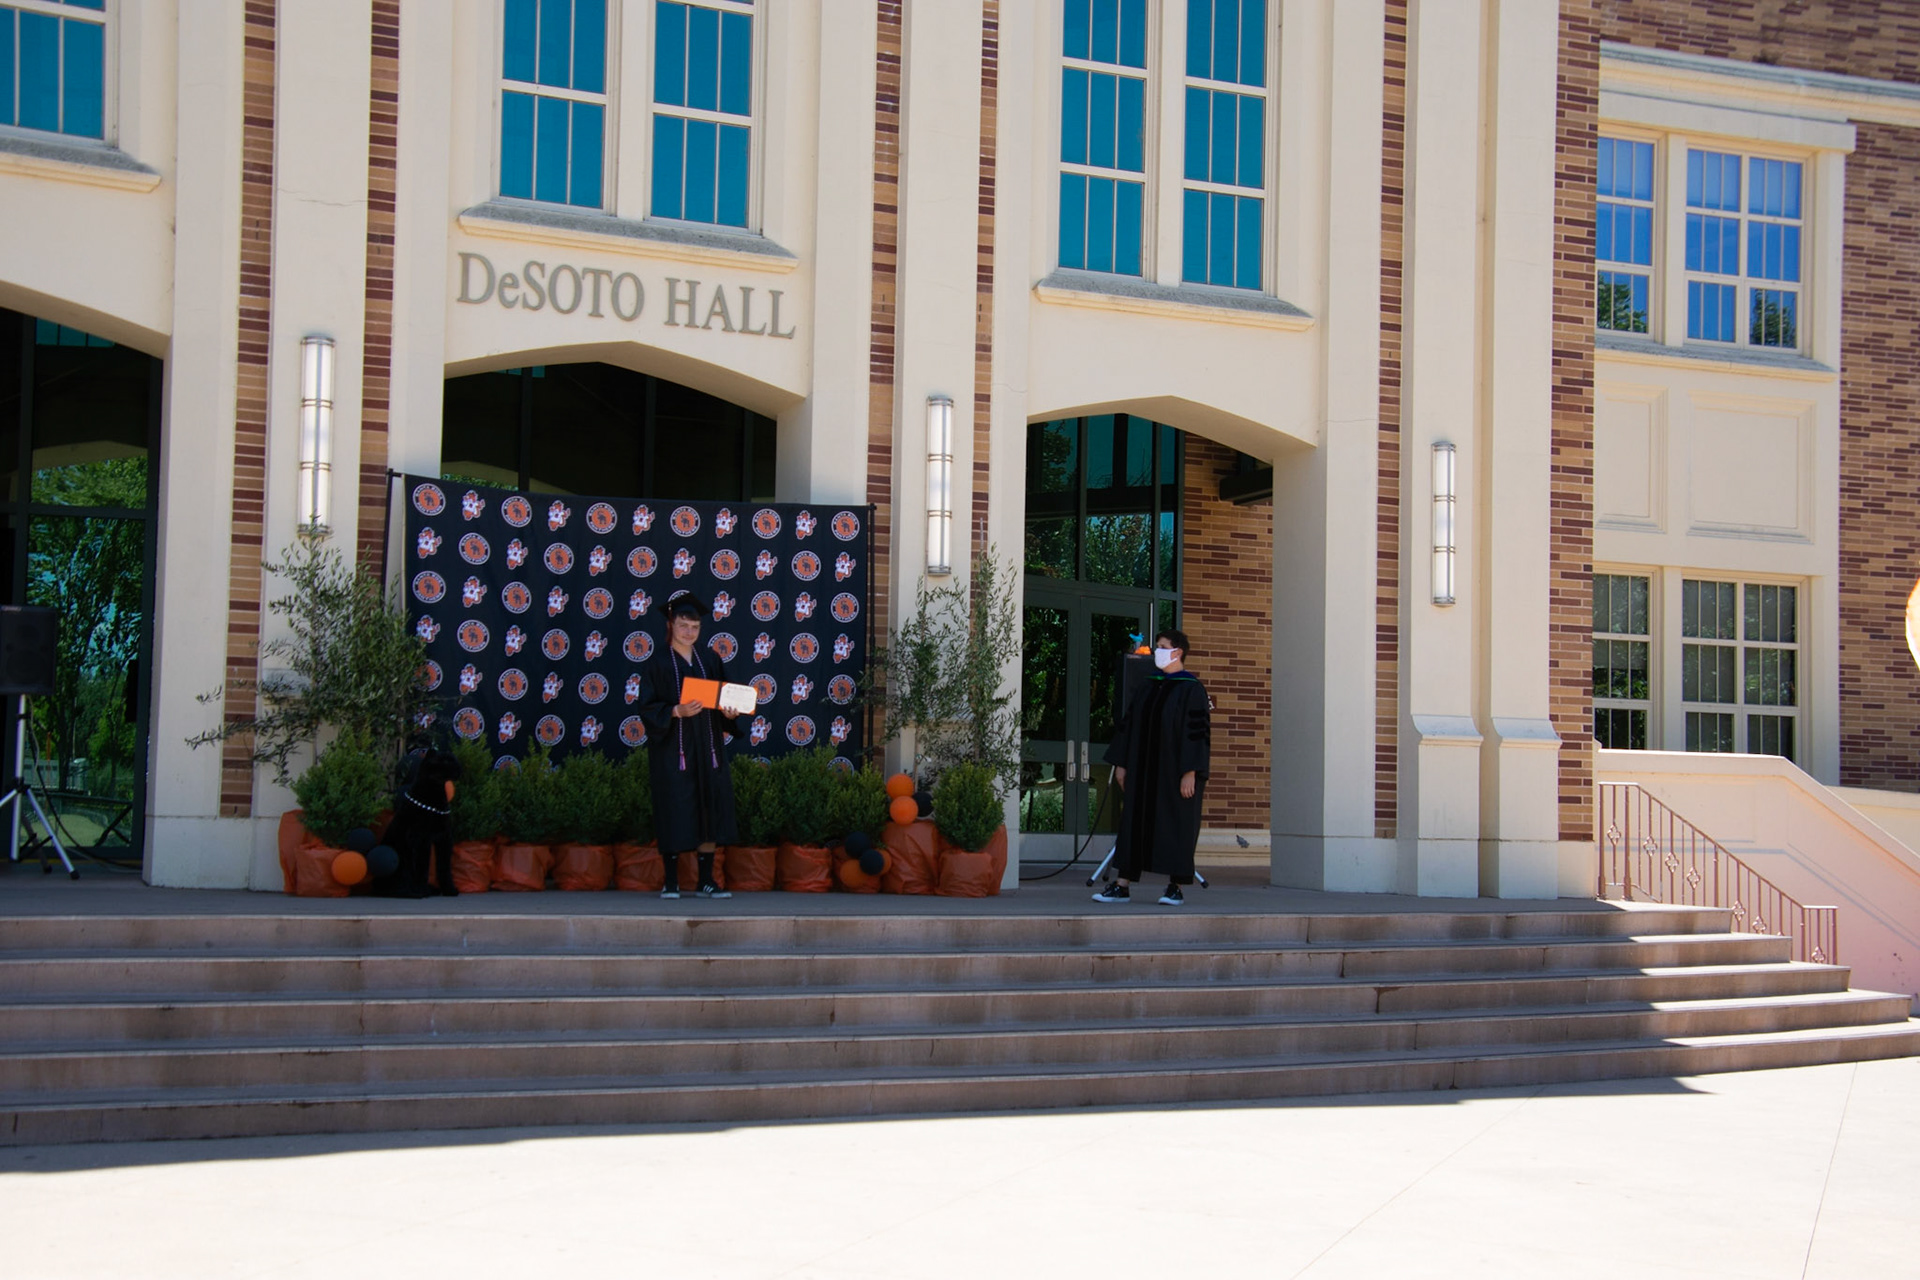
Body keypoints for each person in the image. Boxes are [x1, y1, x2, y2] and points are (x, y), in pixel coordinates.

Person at [1094, 629, 1210, 906]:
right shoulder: (1148, 686)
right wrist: (1122, 764)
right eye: (1157, 646)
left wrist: (1190, 772)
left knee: (1177, 826)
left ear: (1178, 652)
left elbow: (1197, 734)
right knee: (1133, 824)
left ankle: (1175, 888)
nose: (1157, 651)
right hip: (1143, 770)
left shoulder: (1191, 689)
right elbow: (1129, 726)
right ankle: (1122, 885)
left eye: (1162, 646)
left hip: (1175, 772)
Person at [639, 590, 739, 899]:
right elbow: (646, 706)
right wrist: (674, 711)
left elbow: (725, 698)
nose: (689, 632)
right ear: (671, 625)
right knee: (674, 807)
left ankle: (706, 880)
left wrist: (729, 712)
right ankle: (671, 881)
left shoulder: (709, 659)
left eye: (695, 627)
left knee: (710, 808)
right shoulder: (657, 662)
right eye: (683, 625)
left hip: (708, 747)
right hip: (674, 749)